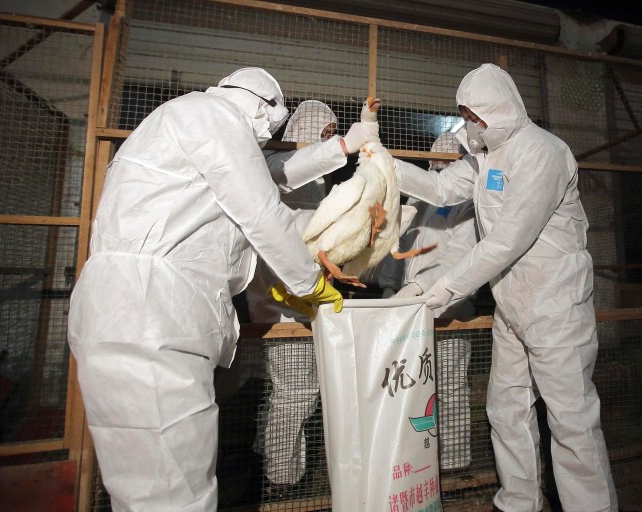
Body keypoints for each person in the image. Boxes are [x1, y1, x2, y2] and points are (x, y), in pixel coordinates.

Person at [65, 67, 373, 512]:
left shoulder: (189, 121)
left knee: (144, 486)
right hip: (152, 317)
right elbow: (262, 209)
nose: (272, 133)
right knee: (174, 492)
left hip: (126, 313)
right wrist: (310, 284)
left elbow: (272, 172)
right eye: (274, 121)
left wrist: (340, 147)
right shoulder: (212, 117)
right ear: (262, 105)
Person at [394, 64, 617, 511]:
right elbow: (438, 188)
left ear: (495, 109)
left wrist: (439, 291)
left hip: (555, 304)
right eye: (464, 115)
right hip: (511, 304)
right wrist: (385, 165)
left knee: (570, 419)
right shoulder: (485, 158)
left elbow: (507, 240)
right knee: (505, 408)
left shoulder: (542, 152)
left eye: (472, 114)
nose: (468, 123)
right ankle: (518, 501)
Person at [244, 100, 346, 490]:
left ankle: (265, 453)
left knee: (288, 391)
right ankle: (281, 477)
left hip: (300, 309)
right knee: (296, 393)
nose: (330, 141)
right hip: (285, 311)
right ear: (304, 130)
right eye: (324, 133)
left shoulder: (315, 187)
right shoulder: (279, 175)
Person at [380, 131, 477, 471]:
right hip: (411, 313)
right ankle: (419, 461)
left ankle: (453, 462)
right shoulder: (421, 200)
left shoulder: (467, 203)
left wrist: (421, 287)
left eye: (447, 161)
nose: (438, 167)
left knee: (449, 386)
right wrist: (390, 286)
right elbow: (401, 245)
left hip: (450, 309)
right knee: (416, 387)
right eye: (436, 160)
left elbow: (460, 256)